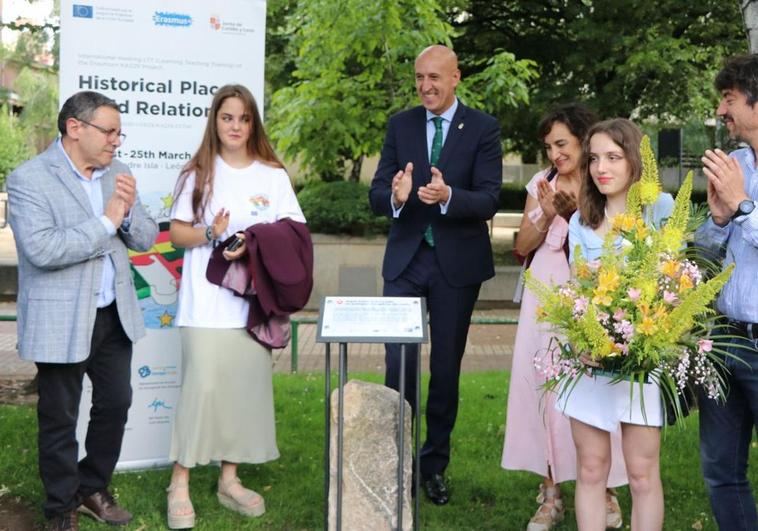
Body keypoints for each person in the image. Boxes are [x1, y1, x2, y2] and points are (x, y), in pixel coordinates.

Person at [7, 90, 158, 531]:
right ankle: (59, 508)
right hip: (62, 319)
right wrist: (108, 221)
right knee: (60, 418)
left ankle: (91, 486)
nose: (116, 141)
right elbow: (43, 249)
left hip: (112, 316)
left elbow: (146, 237)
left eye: (119, 133)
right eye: (109, 131)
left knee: (116, 403)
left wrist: (126, 216)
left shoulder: (120, 173)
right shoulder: (29, 180)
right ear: (75, 128)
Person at [166, 84, 306, 529]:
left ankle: (230, 479)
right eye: (228, 117)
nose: (236, 127)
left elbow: (295, 231)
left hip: (253, 307)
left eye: (244, 119)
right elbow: (177, 234)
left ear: (253, 124)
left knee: (244, 394)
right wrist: (212, 234)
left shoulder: (272, 174)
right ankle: (180, 483)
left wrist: (252, 241)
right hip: (205, 307)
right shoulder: (197, 173)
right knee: (202, 391)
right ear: (215, 121)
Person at [368, 44, 502, 505]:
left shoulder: (484, 128)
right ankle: (396, 461)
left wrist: (448, 196)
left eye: (435, 78)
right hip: (406, 262)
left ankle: (433, 464)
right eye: (419, 77)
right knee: (397, 365)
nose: (426, 86)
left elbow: (488, 198)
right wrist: (398, 196)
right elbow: (378, 191)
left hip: (455, 266)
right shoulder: (400, 124)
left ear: (456, 77)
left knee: (445, 369)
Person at [501, 104, 627, 530]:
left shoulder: (600, 179)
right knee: (545, 385)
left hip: (590, 288)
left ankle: (605, 487)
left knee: (596, 382)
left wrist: (574, 212)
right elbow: (522, 242)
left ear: (582, 139)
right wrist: (548, 212)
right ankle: (551, 490)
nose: (555, 154)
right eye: (549, 147)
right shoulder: (541, 183)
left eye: (562, 144)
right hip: (545, 289)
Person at [563, 118, 673, 530]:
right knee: (591, 470)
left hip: (642, 361)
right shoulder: (582, 219)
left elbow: (673, 284)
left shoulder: (660, 209)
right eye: (593, 158)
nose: (600, 168)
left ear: (634, 161)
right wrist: (582, 339)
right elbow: (575, 291)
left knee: (643, 474)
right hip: (591, 362)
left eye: (613, 157)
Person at [695, 54, 758, 531]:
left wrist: (741, 205)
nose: (721, 109)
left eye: (729, 99)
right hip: (723, 340)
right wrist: (719, 219)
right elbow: (706, 246)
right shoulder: (734, 162)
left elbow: (745, 215)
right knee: (720, 471)